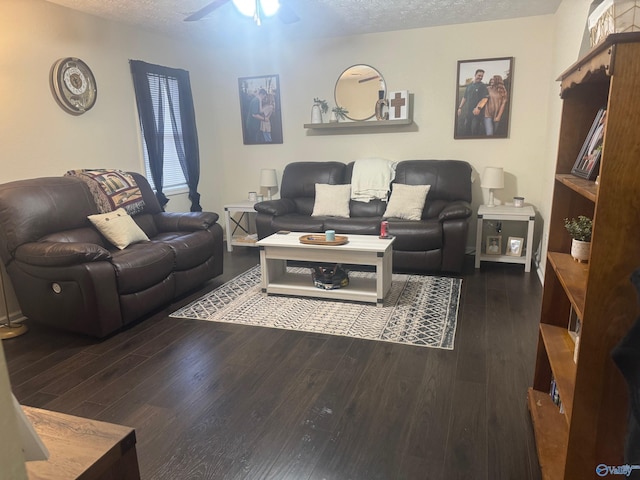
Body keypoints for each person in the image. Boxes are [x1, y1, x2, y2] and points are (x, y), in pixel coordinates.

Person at [457, 69, 489, 136]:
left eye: (482, 76)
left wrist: (478, 108)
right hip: (468, 112)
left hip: (477, 113)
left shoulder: (482, 86)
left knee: (474, 130)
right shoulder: (469, 86)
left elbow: (485, 98)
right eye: (479, 75)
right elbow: (464, 97)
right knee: (467, 129)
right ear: (475, 75)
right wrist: (460, 108)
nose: (480, 77)